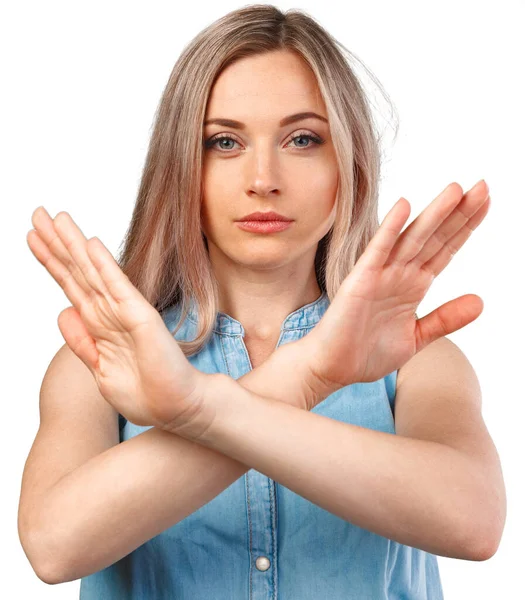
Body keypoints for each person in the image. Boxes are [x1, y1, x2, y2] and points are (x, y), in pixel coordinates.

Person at [18, 4, 505, 599]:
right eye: (224, 142)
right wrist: (303, 380)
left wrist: (199, 410)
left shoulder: (412, 360)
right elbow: (53, 545)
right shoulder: (97, 363)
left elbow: (475, 522)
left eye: (302, 139)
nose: (263, 178)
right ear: (181, 168)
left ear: (347, 165)